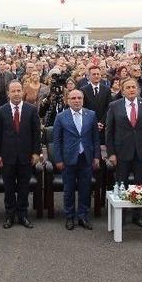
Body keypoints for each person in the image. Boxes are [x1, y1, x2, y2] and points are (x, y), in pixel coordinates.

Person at [105, 78, 142, 228]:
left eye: (134, 87)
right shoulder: (114, 106)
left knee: (139, 185)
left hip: (141, 152)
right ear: (122, 91)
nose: (131, 89)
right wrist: (111, 153)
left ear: (138, 89)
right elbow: (110, 132)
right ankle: (120, 215)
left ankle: (137, 215)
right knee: (121, 184)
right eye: (127, 87)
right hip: (121, 152)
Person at [52, 89, 101, 230]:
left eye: (79, 98)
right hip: (68, 159)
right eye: (73, 98)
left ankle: (83, 216)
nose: (76, 100)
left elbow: (95, 139)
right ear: (68, 100)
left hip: (86, 158)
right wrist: (59, 159)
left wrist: (96, 156)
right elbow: (57, 140)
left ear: (83, 99)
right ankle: (69, 216)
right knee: (69, 189)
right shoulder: (61, 117)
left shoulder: (91, 115)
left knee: (85, 189)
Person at [0, 80, 40, 229]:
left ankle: (23, 215)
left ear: (22, 92)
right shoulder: (1, 111)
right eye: (13, 91)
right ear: (8, 93)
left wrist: (35, 153)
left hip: (26, 156)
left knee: (23, 187)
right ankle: (9, 215)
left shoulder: (31, 110)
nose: (16, 93)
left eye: (18, 90)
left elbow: (36, 134)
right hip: (7, 157)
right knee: (8, 188)